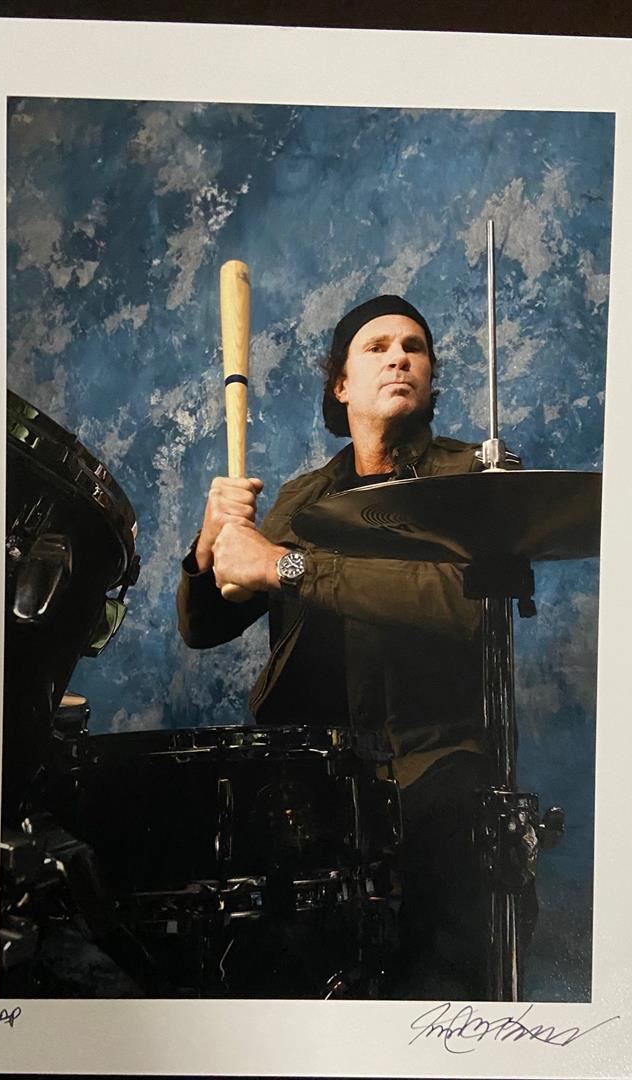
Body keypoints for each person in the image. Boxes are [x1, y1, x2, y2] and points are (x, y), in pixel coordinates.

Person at [177, 294, 513, 999]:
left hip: (432, 770)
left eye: (414, 348)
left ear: (430, 375)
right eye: (378, 347)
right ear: (341, 385)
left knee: (439, 978)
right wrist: (209, 549)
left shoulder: (471, 477)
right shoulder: (304, 498)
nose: (400, 358)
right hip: (316, 789)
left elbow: (458, 605)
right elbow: (205, 627)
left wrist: (283, 565)